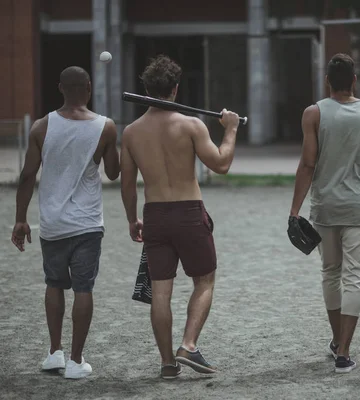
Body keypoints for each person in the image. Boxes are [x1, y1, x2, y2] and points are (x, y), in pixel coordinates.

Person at [119, 55, 240, 379]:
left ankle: (167, 363)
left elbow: (127, 185)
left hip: (154, 214)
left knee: (161, 291)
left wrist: (132, 219)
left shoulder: (131, 132)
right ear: (175, 88)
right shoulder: (190, 125)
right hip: (188, 212)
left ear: (146, 88)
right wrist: (231, 130)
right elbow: (222, 164)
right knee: (204, 281)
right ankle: (187, 344)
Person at [11, 66, 120, 379]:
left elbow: (27, 175)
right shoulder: (105, 126)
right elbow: (113, 173)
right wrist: (111, 143)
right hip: (87, 224)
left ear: (60, 87)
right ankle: (76, 361)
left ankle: (54, 353)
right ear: (88, 87)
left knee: (54, 284)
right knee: (83, 288)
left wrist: (21, 219)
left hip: (53, 223)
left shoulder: (41, 127)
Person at [289, 53, 360, 373]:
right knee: (355, 277)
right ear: (355, 80)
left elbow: (308, 164)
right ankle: (344, 349)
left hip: (325, 206)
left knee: (330, 272)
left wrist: (294, 209)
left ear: (328, 81)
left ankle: (338, 340)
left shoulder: (314, 113)